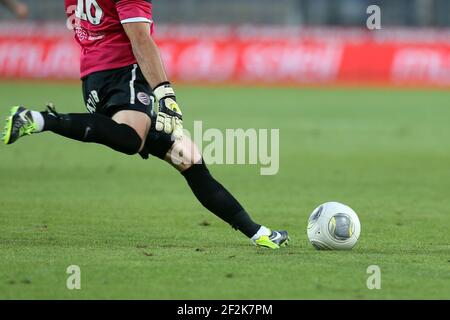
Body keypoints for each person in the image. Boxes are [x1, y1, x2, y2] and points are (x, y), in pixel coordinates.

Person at [2, 0, 289, 249]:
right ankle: (40, 119)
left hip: (93, 79)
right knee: (130, 139)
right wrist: (165, 93)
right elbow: (140, 40)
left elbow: (77, 20)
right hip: (123, 74)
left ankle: (259, 234)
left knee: (189, 159)